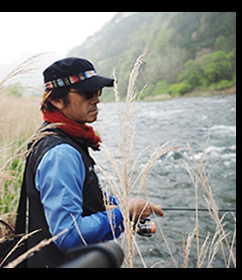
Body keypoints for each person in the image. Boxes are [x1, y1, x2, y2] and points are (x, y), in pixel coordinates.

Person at [13, 57, 164, 268]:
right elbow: (68, 235)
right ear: (57, 100)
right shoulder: (61, 153)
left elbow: (79, 195)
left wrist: (116, 203)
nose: (96, 99)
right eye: (87, 93)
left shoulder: (53, 136)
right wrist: (125, 214)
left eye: (98, 92)